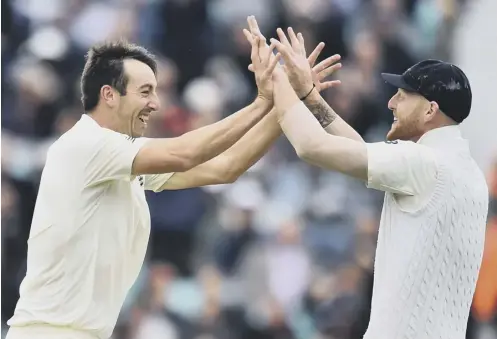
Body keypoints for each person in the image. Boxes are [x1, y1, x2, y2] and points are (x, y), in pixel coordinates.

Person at [5, 17, 342, 339]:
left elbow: (227, 167)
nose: (156, 103)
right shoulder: (88, 145)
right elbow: (185, 153)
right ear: (109, 95)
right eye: (145, 91)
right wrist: (263, 101)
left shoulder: (121, 160)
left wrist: (287, 100)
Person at [266, 26, 489, 338]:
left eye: (402, 95)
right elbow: (358, 152)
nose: (391, 104)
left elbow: (311, 147)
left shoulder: (423, 163)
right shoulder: (466, 172)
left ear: (430, 110)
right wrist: (309, 97)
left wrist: (279, 84)